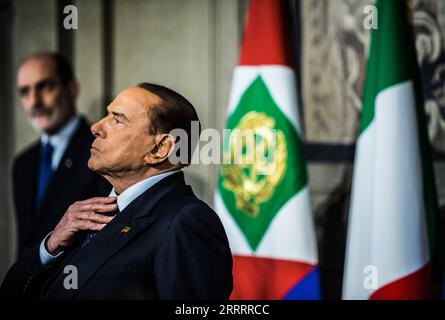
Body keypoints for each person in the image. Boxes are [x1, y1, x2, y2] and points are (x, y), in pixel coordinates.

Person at [0, 83, 233, 299]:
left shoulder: (186, 222)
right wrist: (49, 247)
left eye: (118, 120)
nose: (95, 127)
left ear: (160, 148)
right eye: (106, 114)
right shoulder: (84, 217)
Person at [13, 52, 110, 258]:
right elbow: (24, 245)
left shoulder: (102, 149)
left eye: (45, 87)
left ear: (72, 89)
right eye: (25, 92)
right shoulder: (22, 163)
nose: (34, 102)